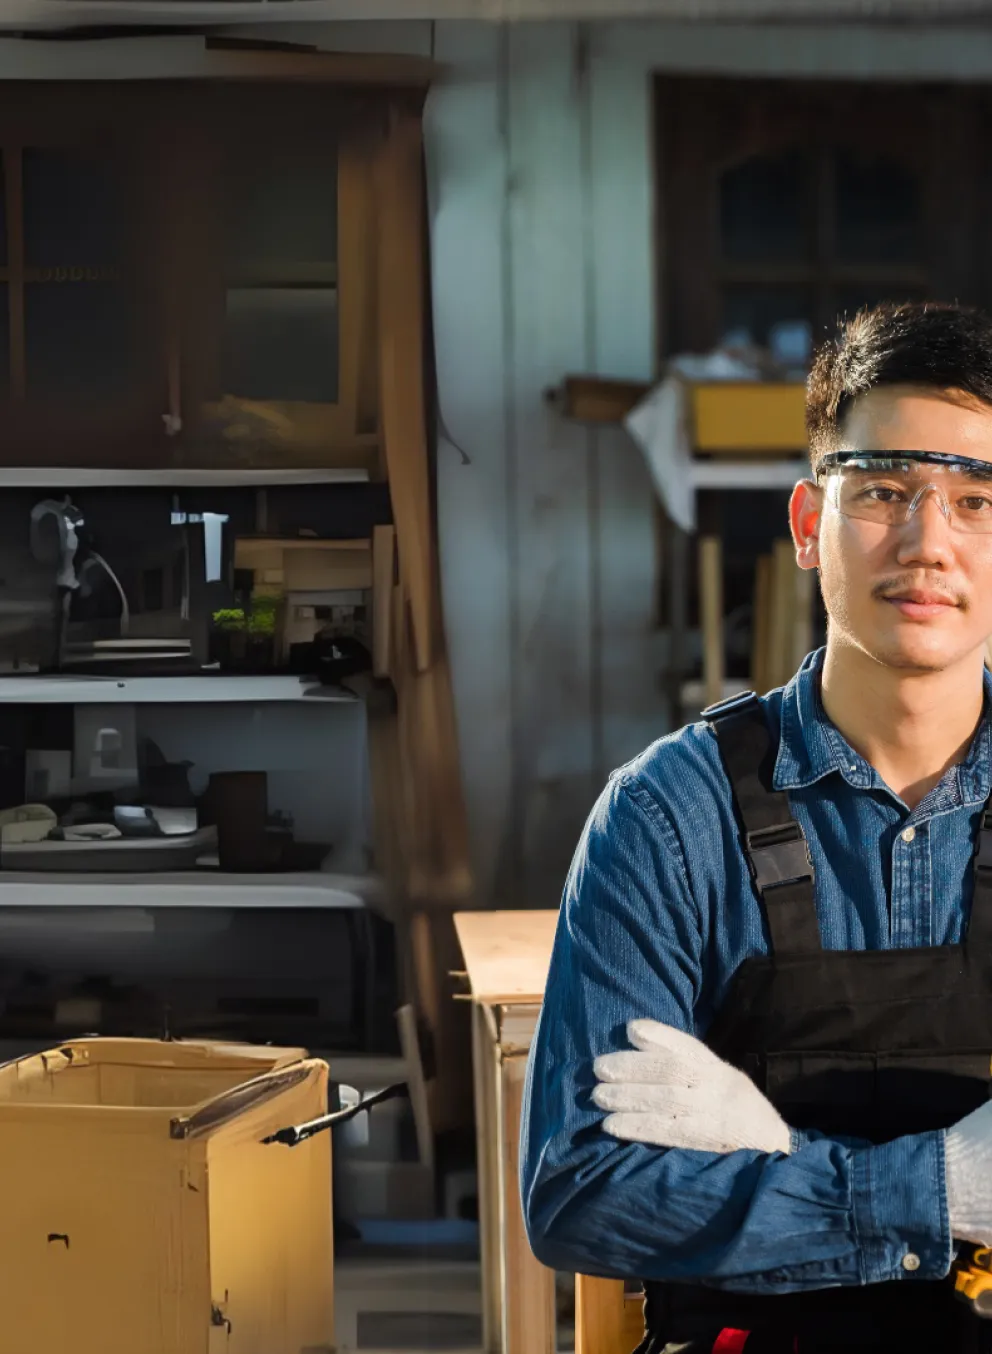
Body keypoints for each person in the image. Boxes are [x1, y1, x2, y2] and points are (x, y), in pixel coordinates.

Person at [519, 302, 992, 1354]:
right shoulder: (666, 818)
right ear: (808, 523)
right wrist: (937, 1189)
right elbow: (582, 1191)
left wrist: (775, 1160)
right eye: (883, 490)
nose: (929, 543)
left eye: (976, 501)